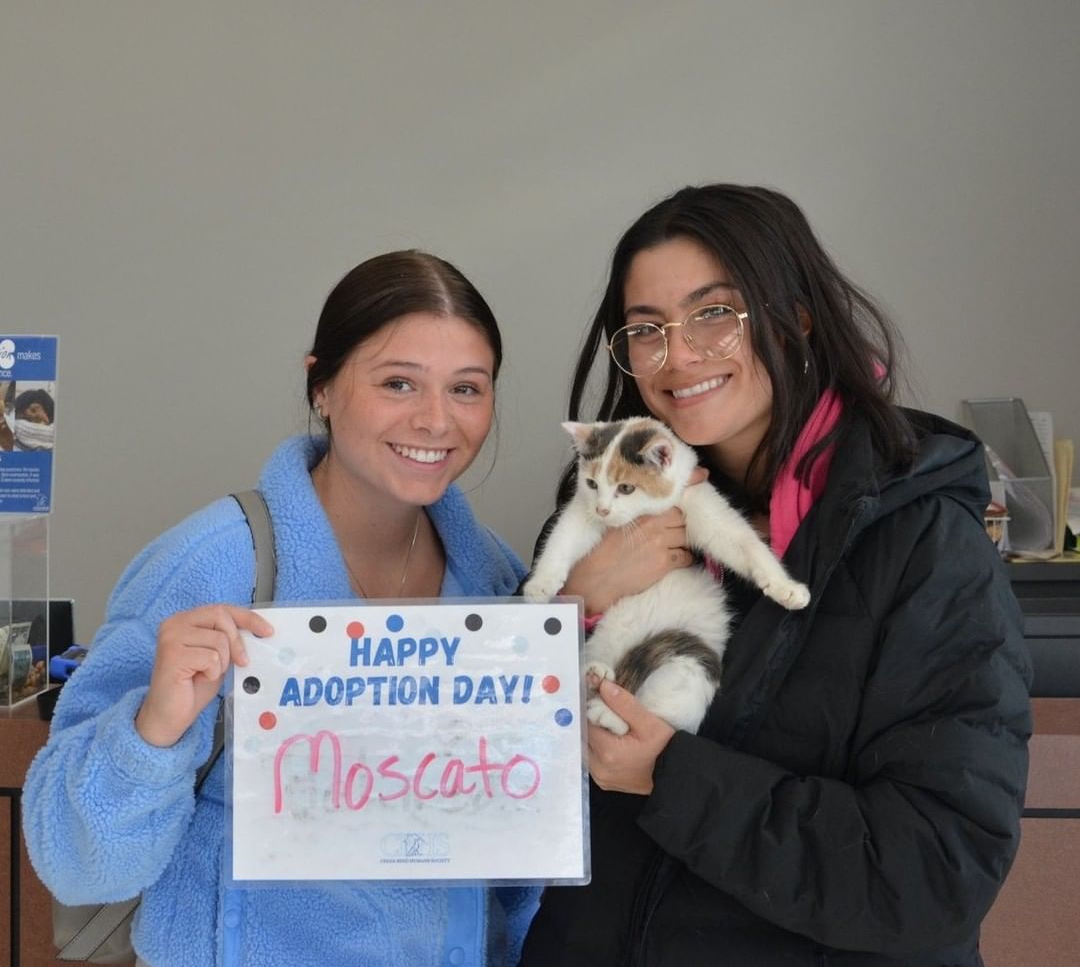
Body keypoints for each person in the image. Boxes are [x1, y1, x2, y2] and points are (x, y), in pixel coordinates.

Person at [521, 185, 1031, 966]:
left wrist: (673, 779)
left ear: (795, 318)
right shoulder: (602, 519)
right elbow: (496, 773)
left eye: (715, 313)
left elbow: (934, 871)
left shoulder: (925, 544)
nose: (677, 354)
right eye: (646, 329)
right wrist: (573, 607)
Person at [24, 251, 539, 967]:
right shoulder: (214, 564)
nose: (436, 420)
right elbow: (75, 862)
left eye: (467, 389)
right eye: (398, 383)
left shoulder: (500, 586)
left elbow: (518, 860)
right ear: (321, 386)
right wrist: (153, 731)